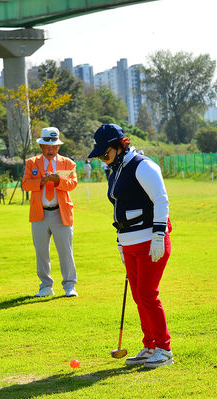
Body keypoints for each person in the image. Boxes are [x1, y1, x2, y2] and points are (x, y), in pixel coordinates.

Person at [88, 124, 173, 368]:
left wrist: (159, 235)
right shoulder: (115, 170)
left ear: (120, 145)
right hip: (129, 242)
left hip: (150, 242)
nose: (104, 160)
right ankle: (150, 345)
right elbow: (119, 207)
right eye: (101, 156)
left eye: (106, 154)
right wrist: (120, 242)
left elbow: (161, 199)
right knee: (139, 296)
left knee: (147, 294)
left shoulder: (142, 165)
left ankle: (164, 349)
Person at [21, 126, 78, 297]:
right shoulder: (32, 163)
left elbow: (72, 184)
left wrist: (57, 179)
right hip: (40, 214)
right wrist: (42, 181)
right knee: (41, 252)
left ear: (58, 147)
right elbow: (25, 184)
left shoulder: (67, 163)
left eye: (54, 146)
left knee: (66, 251)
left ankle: (69, 286)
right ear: (41, 147)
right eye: (48, 146)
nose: (51, 149)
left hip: (60, 213)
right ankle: (46, 286)